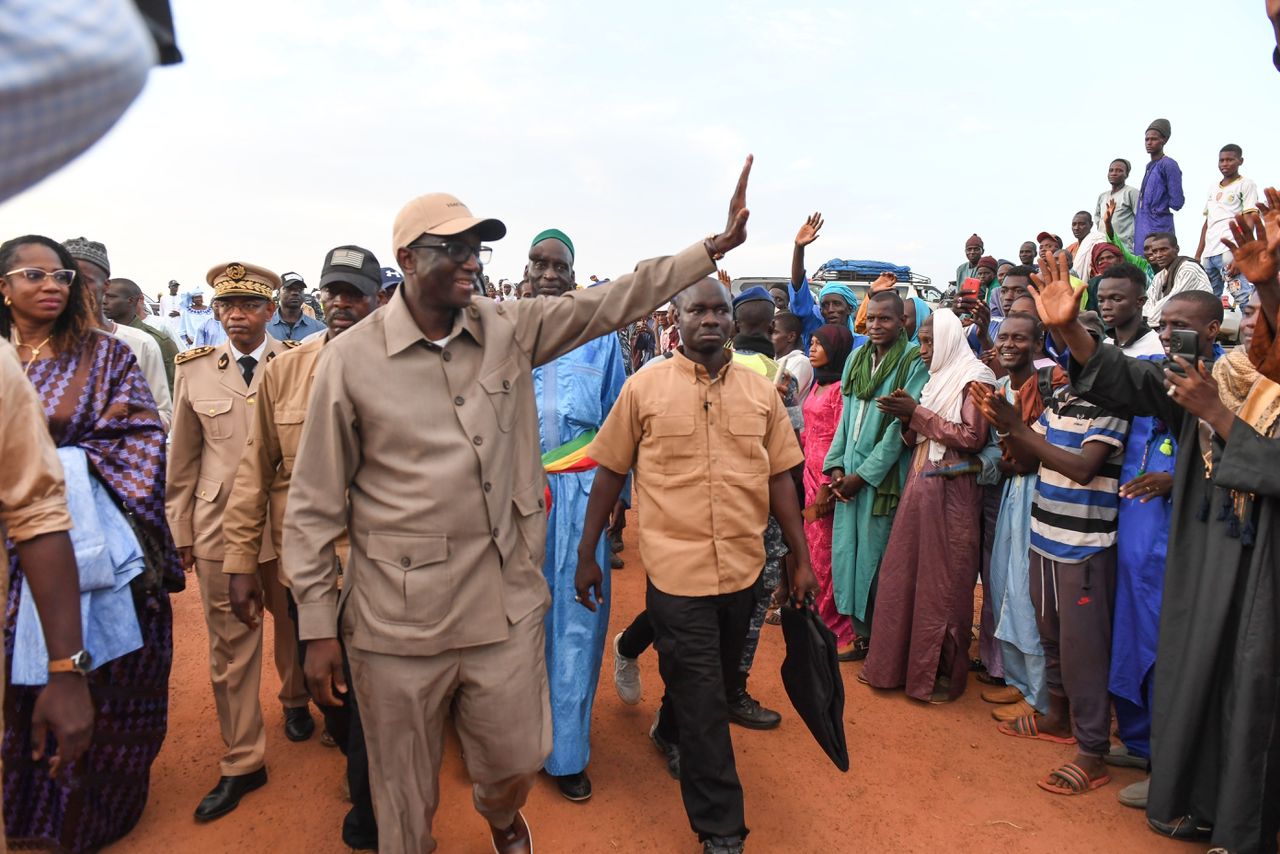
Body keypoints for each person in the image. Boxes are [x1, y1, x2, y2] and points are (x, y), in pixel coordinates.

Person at [282, 158, 754, 854]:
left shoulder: (508, 328)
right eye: (454, 249)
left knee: (509, 759)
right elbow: (315, 503)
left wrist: (709, 249)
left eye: (478, 248)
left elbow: (611, 301)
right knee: (402, 792)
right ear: (407, 259)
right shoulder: (351, 362)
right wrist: (319, 625)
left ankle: (504, 816)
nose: (471, 262)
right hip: (396, 613)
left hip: (499, 599)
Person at [1030, 251, 1278, 853]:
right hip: (1210, 565)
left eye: (1263, 310)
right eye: (1253, 307)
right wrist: (1069, 332)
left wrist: (1215, 416)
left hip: (1264, 573)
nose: (1254, 322)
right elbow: (1140, 384)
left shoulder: (1222, 396)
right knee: (1198, 673)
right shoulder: (1231, 378)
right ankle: (1197, 800)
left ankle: (1244, 828)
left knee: (1252, 689)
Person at [574, 276, 816, 854]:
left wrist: (799, 558)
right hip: (675, 572)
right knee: (708, 699)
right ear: (676, 320)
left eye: (719, 310)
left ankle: (667, 727)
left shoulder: (762, 395)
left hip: (741, 568)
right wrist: (588, 552)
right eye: (696, 310)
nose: (709, 318)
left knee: (704, 680)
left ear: (733, 321)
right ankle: (721, 829)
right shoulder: (643, 387)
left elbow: (781, 476)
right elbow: (609, 470)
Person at [0, 234, 180, 851]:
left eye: (62, 278)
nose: (52, 286)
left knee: (92, 682)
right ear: (3, 287)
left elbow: (141, 438)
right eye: (33, 275)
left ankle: (93, 817)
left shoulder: (104, 356)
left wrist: (54, 471)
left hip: (81, 547)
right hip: (5, 561)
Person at [219, 247, 382, 849]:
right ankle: (348, 746)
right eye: (333, 293)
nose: (342, 304)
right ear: (319, 298)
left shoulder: (412, 366)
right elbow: (252, 470)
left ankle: (369, 811)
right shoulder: (283, 372)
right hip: (308, 566)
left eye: (355, 293)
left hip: (385, 565)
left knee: (373, 699)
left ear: (378, 299)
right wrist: (239, 561)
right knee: (331, 696)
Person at [166, 261, 312, 822]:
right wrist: (180, 530)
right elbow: (183, 460)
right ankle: (243, 759)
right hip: (220, 528)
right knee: (231, 647)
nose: (236, 316)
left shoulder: (299, 363)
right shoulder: (196, 370)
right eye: (226, 306)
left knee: (296, 622)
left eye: (249, 306)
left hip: (289, 522)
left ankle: (296, 699)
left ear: (271, 311)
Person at [972, 305, 1131, 798]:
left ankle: (1091, 752)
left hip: (1084, 546)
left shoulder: (1114, 404)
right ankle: (1057, 717)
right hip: (1045, 536)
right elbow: (1020, 459)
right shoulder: (1061, 399)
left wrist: (1017, 430)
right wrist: (1005, 424)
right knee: (1053, 638)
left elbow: (1084, 468)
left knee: (1084, 651)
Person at [523, 228, 627, 803]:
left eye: (559, 266)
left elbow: (619, 421)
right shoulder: (502, 331)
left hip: (580, 498)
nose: (549, 273)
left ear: (573, 272)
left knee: (576, 622)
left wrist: (617, 505)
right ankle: (510, 740)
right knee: (510, 622)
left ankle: (566, 753)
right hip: (510, 501)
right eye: (539, 263)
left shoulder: (601, 338)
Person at [859, 309, 996, 702]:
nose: (923, 350)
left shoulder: (974, 379)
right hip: (922, 483)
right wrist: (908, 414)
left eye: (930, 342)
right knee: (904, 574)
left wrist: (915, 413)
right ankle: (895, 668)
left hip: (952, 491)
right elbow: (923, 430)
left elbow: (971, 437)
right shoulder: (938, 379)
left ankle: (936, 676)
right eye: (920, 341)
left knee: (945, 583)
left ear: (951, 340)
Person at [824, 292, 927, 660]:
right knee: (847, 554)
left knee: (878, 558)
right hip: (848, 474)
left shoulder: (913, 362)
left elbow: (900, 430)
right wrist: (836, 466)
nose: (877, 326)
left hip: (883, 479)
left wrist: (864, 476)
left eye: (886, 319)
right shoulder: (856, 357)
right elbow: (845, 418)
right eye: (872, 319)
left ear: (902, 322)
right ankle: (861, 635)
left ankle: (885, 642)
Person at [977, 313, 1066, 725]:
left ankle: (1040, 695)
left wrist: (1013, 445)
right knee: (1002, 583)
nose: (1009, 344)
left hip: (1040, 493)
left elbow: (1034, 454)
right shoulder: (1001, 388)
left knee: (1028, 595)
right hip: (1013, 492)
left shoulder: (1049, 385)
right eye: (1004, 337)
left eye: (1020, 338)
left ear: (1038, 343)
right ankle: (1018, 681)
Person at [63, 237, 172, 427]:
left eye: (85, 280)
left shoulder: (141, 344)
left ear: (105, 285)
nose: (75, 288)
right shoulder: (36, 343)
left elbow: (163, 412)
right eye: (64, 278)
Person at [799, 323, 857, 651]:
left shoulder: (838, 389)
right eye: (812, 342)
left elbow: (840, 436)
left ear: (835, 350)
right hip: (807, 472)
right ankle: (816, 618)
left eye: (819, 344)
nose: (812, 348)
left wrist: (827, 484)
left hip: (826, 480)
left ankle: (838, 627)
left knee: (827, 554)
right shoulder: (817, 385)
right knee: (811, 549)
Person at [1195, 145, 1260, 297]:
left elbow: (1249, 220)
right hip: (1209, 254)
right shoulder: (1213, 188)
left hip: (1228, 252)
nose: (1225, 164)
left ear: (1240, 161)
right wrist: (1198, 255)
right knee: (1209, 300)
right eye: (1221, 160)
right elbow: (1207, 223)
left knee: (1242, 296)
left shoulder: (1246, 184)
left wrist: (1241, 254)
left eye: (1230, 160)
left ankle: (1258, 322)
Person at [103, 277, 178, 392]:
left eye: (111, 297)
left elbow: (174, 388)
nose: (104, 301)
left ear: (131, 301)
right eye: (103, 295)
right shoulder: (101, 338)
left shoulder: (156, 341)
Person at [1134, 119, 1185, 253]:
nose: (1149, 142)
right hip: (1141, 232)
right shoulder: (1149, 167)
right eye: (1147, 139)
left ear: (1164, 140)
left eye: (1154, 139)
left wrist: (1158, 207)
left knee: (1161, 268)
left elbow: (1177, 202)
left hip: (1159, 230)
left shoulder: (1168, 165)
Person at [1096, 263, 1163, 356]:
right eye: (1101, 300)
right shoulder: (1105, 346)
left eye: (1117, 299)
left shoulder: (1158, 348)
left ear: (1140, 301)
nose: (1105, 306)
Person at [1096, 159, 1140, 253]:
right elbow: (1098, 219)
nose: (1114, 173)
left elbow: (1141, 219)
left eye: (1119, 170)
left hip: (1123, 247)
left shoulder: (1131, 192)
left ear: (1126, 174)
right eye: (1111, 170)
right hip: (1102, 248)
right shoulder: (1103, 196)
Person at [269, 272, 326, 341]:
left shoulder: (319, 330)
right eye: (289, 288)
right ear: (278, 293)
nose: (295, 292)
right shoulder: (263, 327)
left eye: (300, 289)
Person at [771, 311, 813, 405]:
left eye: (774, 332)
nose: (768, 337)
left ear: (791, 336)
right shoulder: (772, 360)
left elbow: (783, 396)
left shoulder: (801, 362)